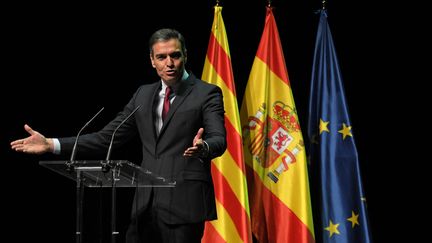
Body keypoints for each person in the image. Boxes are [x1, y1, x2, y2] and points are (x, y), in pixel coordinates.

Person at [10, 28, 227, 243]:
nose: (169, 63)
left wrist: (204, 148)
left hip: (184, 205)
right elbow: (107, 137)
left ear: (185, 55)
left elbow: (219, 138)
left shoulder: (206, 92)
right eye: (161, 57)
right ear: (152, 60)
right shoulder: (143, 94)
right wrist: (50, 144)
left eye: (175, 55)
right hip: (144, 208)